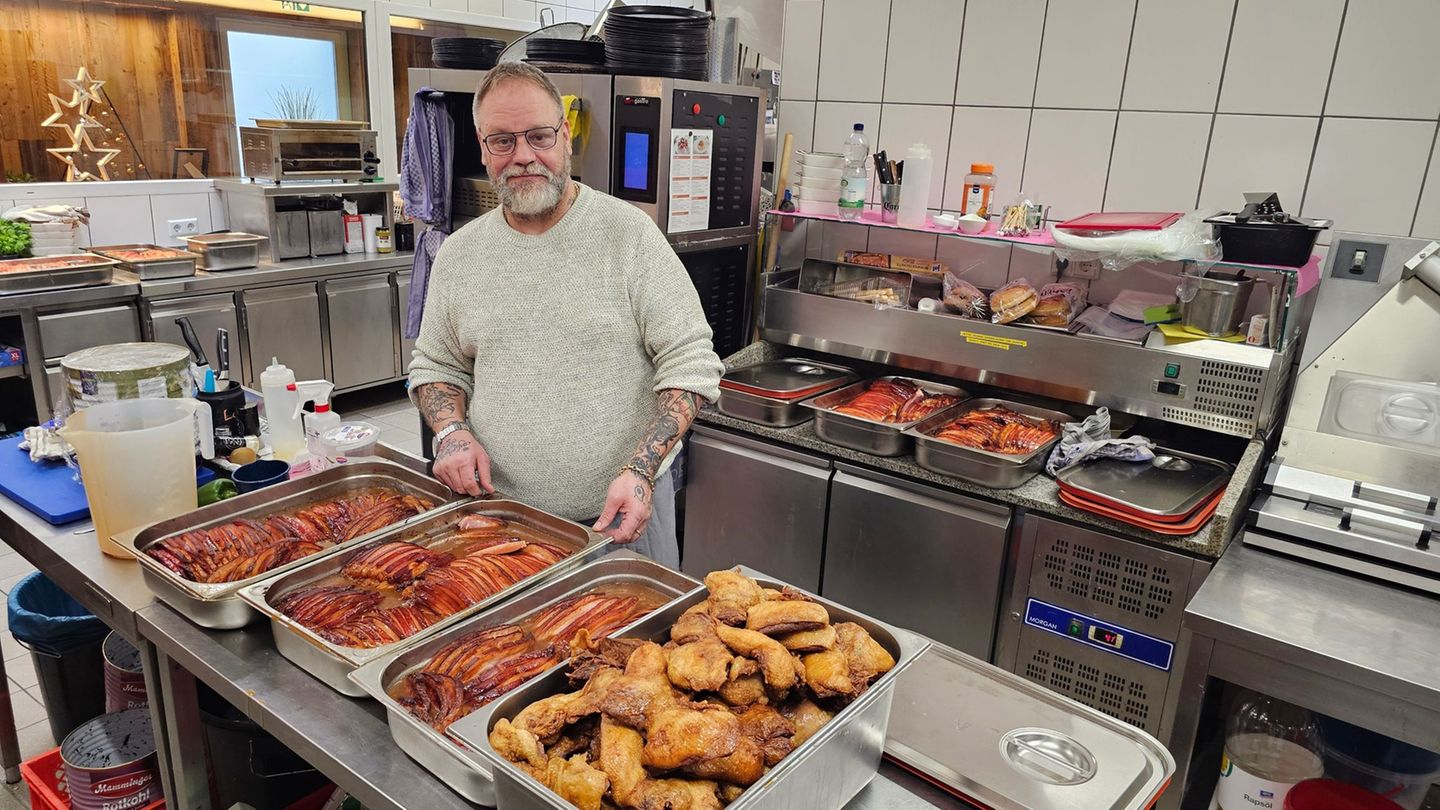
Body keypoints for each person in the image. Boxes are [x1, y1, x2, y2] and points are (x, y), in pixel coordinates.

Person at [407, 62, 723, 568]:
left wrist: (642, 470)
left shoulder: (629, 235)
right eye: (503, 141)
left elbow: (690, 363)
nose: (524, 156)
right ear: (483, 148)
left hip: (622, 523)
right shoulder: (460, 254)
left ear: (566, 136)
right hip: (500, 526)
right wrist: (451, 434)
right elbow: (436, 366)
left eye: (538, 136)